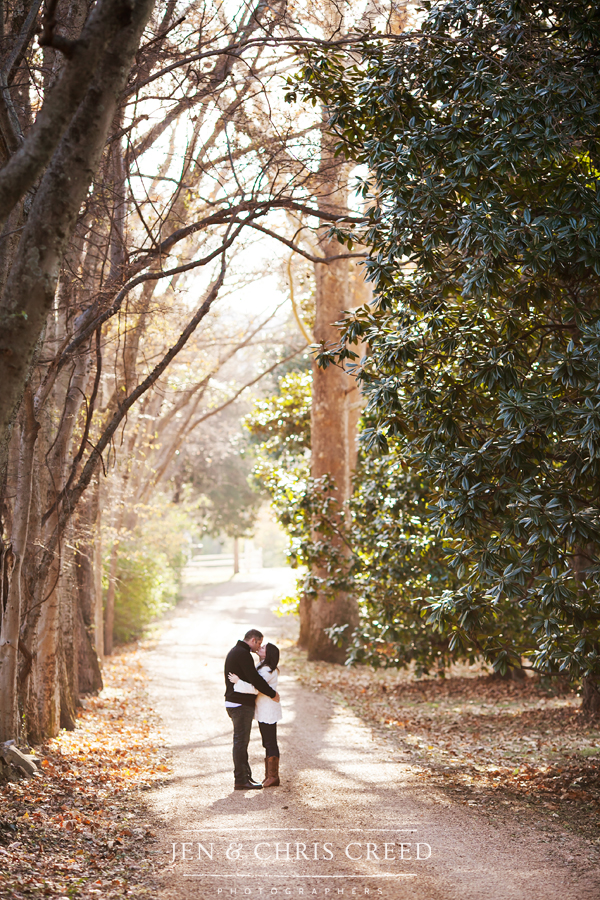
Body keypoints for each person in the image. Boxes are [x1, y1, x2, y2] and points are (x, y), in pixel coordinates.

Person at [224, 629, 280, 791]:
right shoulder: (243, 654)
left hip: (238, 704)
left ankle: (246, 776)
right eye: (260, 644)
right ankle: (241, 779)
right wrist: (272, 693)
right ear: (254, 640)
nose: (259, 648)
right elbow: (256, 682)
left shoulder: (239, 652)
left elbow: (254, 680)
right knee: (241, 743)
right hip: (239, 705)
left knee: (242, 742)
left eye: (262, 646)